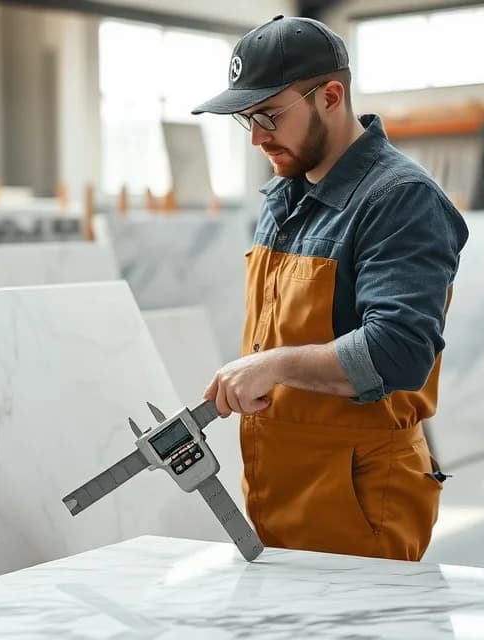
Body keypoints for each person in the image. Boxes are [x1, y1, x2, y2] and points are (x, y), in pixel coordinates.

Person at [192, 15, 469, 561]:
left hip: (359, 504)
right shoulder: (283, 197)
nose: (257, 137)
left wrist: (271, 366)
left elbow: (400, 352)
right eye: (247, 119)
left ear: (331, 96)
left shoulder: (400, 199)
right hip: (278, 493)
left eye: (270, 115)